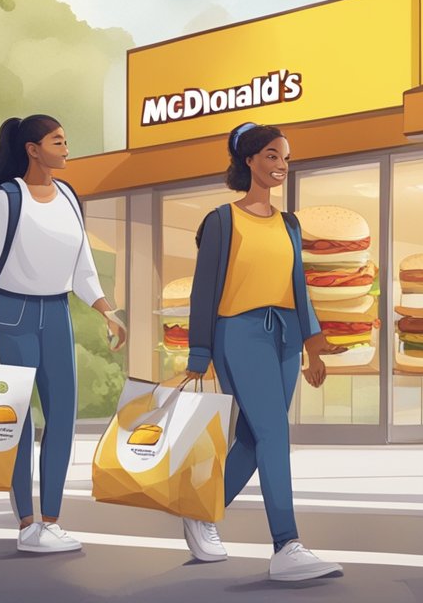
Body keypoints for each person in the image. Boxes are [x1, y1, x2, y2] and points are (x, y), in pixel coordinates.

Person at [178, 122, 345, 582]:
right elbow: (204, 291)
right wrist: (199, 351)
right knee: (273, 433)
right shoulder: (221, 220)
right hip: (240, 333)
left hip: (286, 334)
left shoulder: (289, 223)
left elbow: (299, 286)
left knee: (256, 438)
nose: (281, 166)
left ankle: (201, 510)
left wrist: (313, 345)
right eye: (272, 155)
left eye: (286, 157)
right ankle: (286, 545)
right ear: (248, 160)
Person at [0, 114, 128, 553]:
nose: (67, 148)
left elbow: (82, 263)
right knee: (15, 420)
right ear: (33, 149)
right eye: (58, 141)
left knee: (63, 417)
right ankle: (26, 525)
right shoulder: (8, 196)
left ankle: (51, 521)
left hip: (57, 312)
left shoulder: (69, 196)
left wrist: (107, 311)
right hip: (11, 313)